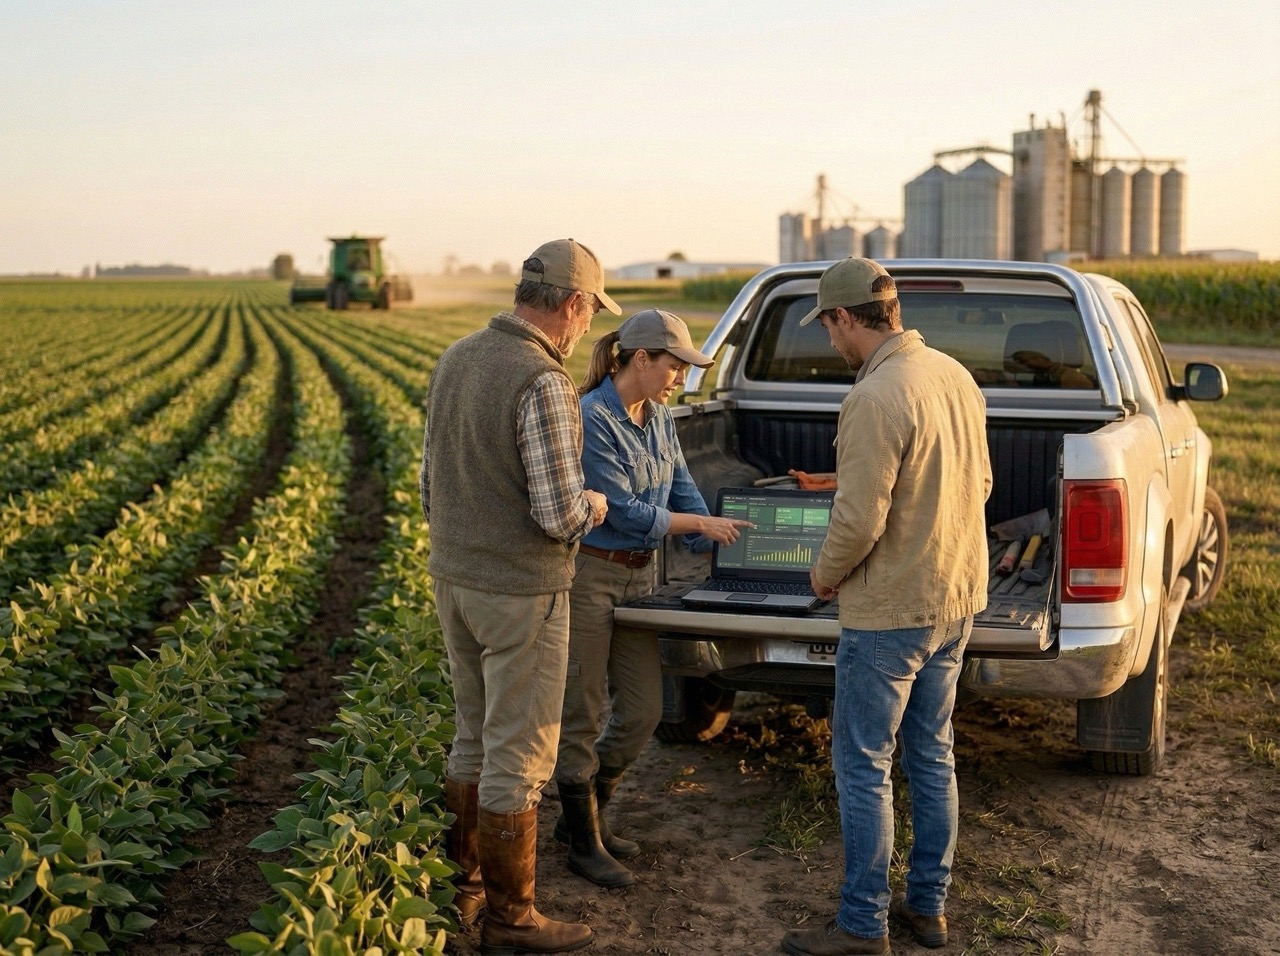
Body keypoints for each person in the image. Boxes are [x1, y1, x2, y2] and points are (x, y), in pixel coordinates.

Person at [780, 258, 992, 956]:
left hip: (891, 612)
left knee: (864, 764)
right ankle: (928, 911)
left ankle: (862, 926)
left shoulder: (873, 397)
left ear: (845, 318)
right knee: (933, 756)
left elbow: (860, 519)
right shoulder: (953, 376)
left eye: (828, 327)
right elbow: (978, 480)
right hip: (955, 600)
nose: (830, 343)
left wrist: (821, 575)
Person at [420, 238, 619, 955]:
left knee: (471, 736)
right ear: (569, 304)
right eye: (590, 310)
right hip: (521, 592)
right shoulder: (542, 381)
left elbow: (428, 487)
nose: (589, 327)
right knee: (520, 754)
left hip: (455, 580)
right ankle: (513, 919)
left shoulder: (456, 359)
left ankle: (466, 891)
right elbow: (557, 513)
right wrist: (594, 504)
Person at [551, 309, 753, 889]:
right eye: (673, 366)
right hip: (591, 575)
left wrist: (719, 536)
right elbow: (621, 509)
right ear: (640, 359)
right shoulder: (593, 420)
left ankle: (589, 814)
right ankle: (582, 843)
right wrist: (694, 524)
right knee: (582, 711)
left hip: (641, 579)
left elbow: (683, 483)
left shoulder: (660, 419)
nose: (680, 380)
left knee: (641, 710)